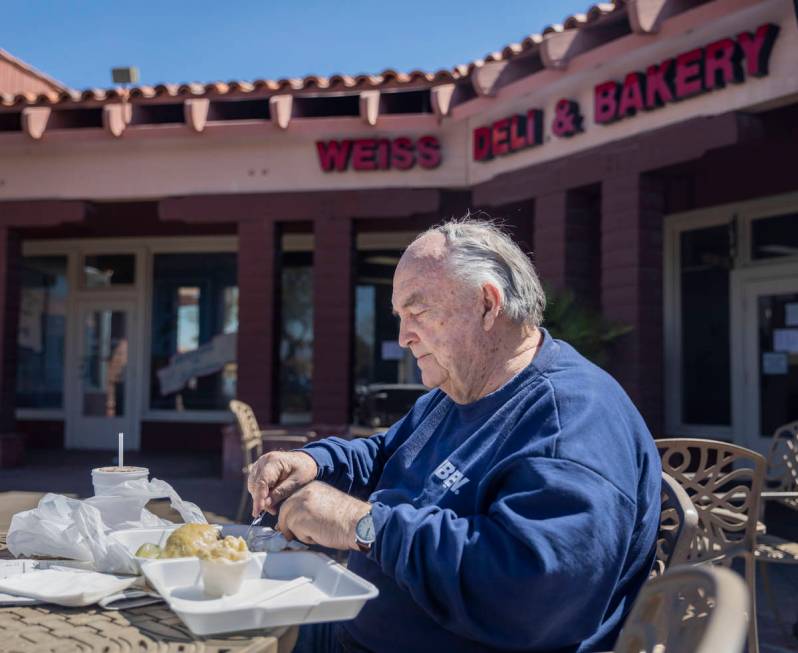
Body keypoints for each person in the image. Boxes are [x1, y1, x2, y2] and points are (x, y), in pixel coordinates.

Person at [248, 218, 662, 653]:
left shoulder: (573, 417)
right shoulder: (457, 389)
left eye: (418, 312)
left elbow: (528, 592)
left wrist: (362, 525)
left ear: (487, 304)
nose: (404, 336)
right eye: (399, 317)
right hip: (348, 628)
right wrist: (316, 463)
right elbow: (387, 453)